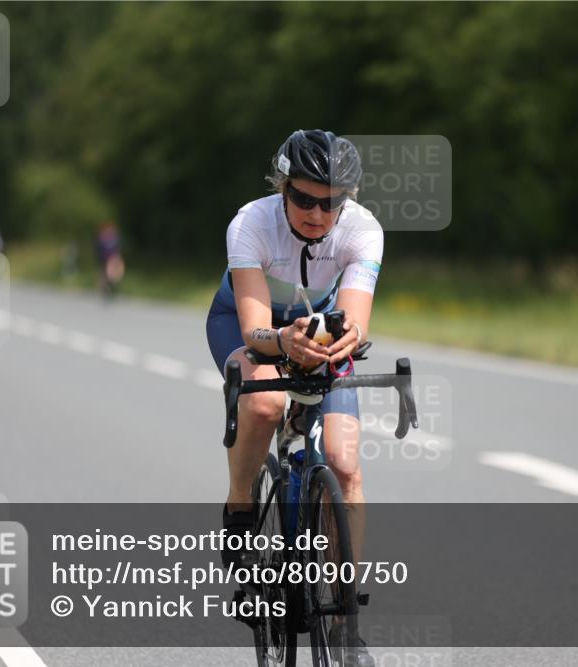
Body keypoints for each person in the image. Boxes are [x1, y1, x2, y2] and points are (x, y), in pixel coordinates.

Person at [205, 129, 382, 664]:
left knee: (345, 464)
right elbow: (257, 328)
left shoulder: (364, 230)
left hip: (319, 335)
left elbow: (355, 320)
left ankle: (346, 624)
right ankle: (240, 505)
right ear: (282, 188)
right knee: (262, 402)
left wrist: (344, 338)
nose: (317, 213)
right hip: (246, 325)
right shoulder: (250, 224)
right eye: (303, 199)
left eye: (330, 203)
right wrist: (283, 344)